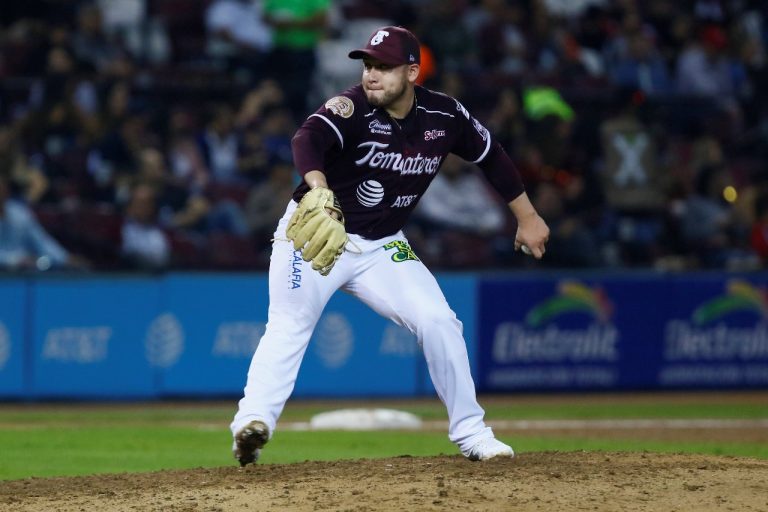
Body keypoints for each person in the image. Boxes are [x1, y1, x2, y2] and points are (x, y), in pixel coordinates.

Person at [230, 26, 549, 465]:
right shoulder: (351, 108)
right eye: (367, 65)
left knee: (439, 321)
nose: (371, 75)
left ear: (412, 72)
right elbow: (307, 139)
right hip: (318, 232)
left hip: (382, 246)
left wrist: (527, 216)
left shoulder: (445, 117)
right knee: (289, 324)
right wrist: (318, 185)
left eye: (383, 66)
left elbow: (490, 154)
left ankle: (473, 433)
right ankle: (253, 423)